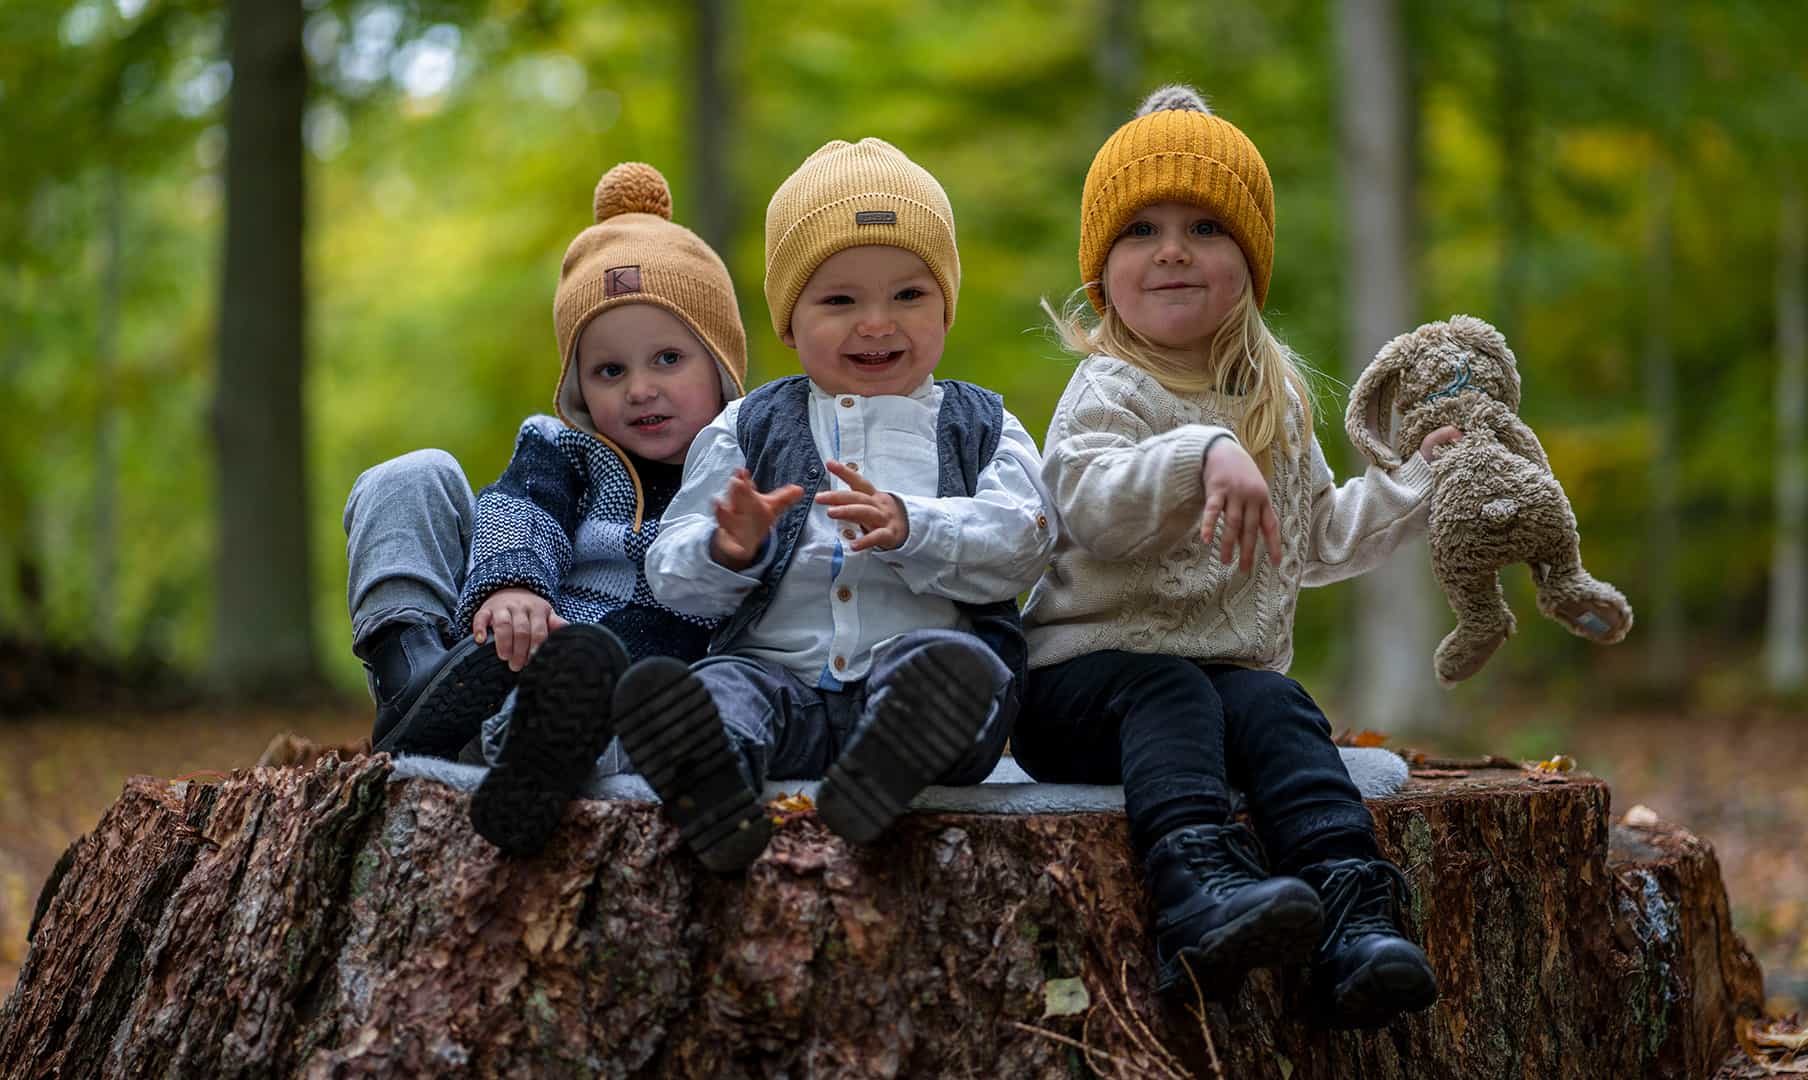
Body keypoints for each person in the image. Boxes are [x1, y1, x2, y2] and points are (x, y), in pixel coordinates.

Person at [1013, 86, 1450, 1028]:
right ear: (1101, 274)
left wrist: (1419, 481)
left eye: (1206, 226)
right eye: (1143, 230)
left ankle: (1350, 917)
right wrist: (1199, 455)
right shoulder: (1107, 388)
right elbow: (1086, 506)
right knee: (1172, 689)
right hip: (1078, 688)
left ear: (1248, 263)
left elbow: (1317, 537)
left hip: (1216, 688)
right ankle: (1194, 899)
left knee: (1280, 703)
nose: (1173, 249)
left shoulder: (1273, 399)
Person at [627, 137, 1057, 873]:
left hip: (910, 677)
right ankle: (710, 783)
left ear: (948, 310)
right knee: (722, 687)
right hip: (778, 684)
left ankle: (886, 767)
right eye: (840, 300)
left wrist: (913, 525)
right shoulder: (748, 426)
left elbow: (1026, 539)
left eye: (908, 295)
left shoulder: (982, 424)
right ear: (789, 323)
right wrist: (730, 549)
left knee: (953, 670)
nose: (877, 323)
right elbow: (668, 568)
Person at [339, 161, 748, 855]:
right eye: (610, 371)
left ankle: (526, 753)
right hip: (516, 647)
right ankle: (408, 674)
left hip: (632, 688)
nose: (640, 389)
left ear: (722, 364)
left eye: (669, 359)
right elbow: (521, 506)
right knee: (414, 475)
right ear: (581, 389)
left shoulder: (744, 473)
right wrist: (511, 587)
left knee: (635, 697)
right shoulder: (566, 450)